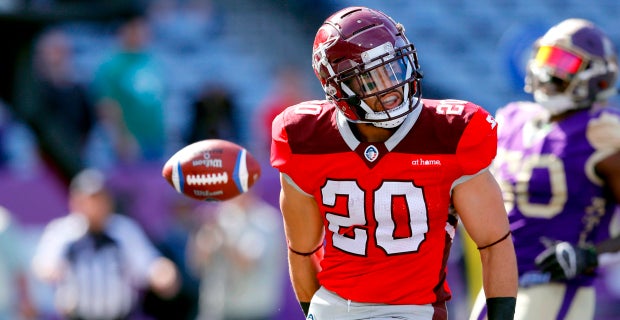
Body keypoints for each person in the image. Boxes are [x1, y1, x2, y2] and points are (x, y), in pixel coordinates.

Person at [270, 6, 518, 320]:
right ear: (337, 88)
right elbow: (301, 251)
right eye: (370, 80)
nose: (391, 87)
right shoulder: (304, 137)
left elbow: (494, 243)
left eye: (393, 68)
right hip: (334, 308)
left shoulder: (451, 132)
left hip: (413, 310)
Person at [469, 18, 620, 320]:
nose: (548, 70)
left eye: (563, 61)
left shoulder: (603, 132)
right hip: (497, 276)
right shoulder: (512, 119)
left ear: (596, 76)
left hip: (554, 284)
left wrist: (591, 254)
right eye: (545, 57)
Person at [31, 168, 179, 320]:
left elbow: (148, 264)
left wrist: (163, 272)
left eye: (98, 200)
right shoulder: (62, 233)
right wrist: (50, 271)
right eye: (88, 200)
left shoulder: (124, 230)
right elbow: (43, 265)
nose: (94, 207)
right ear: (75, 202)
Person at [189, 190, 287, 320]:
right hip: (215, 311)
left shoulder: (267, 220)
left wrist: (221, 234)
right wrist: (205, 234)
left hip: (252, 312)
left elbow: (247, 264)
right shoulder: (219, 215)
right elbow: (196, 265)